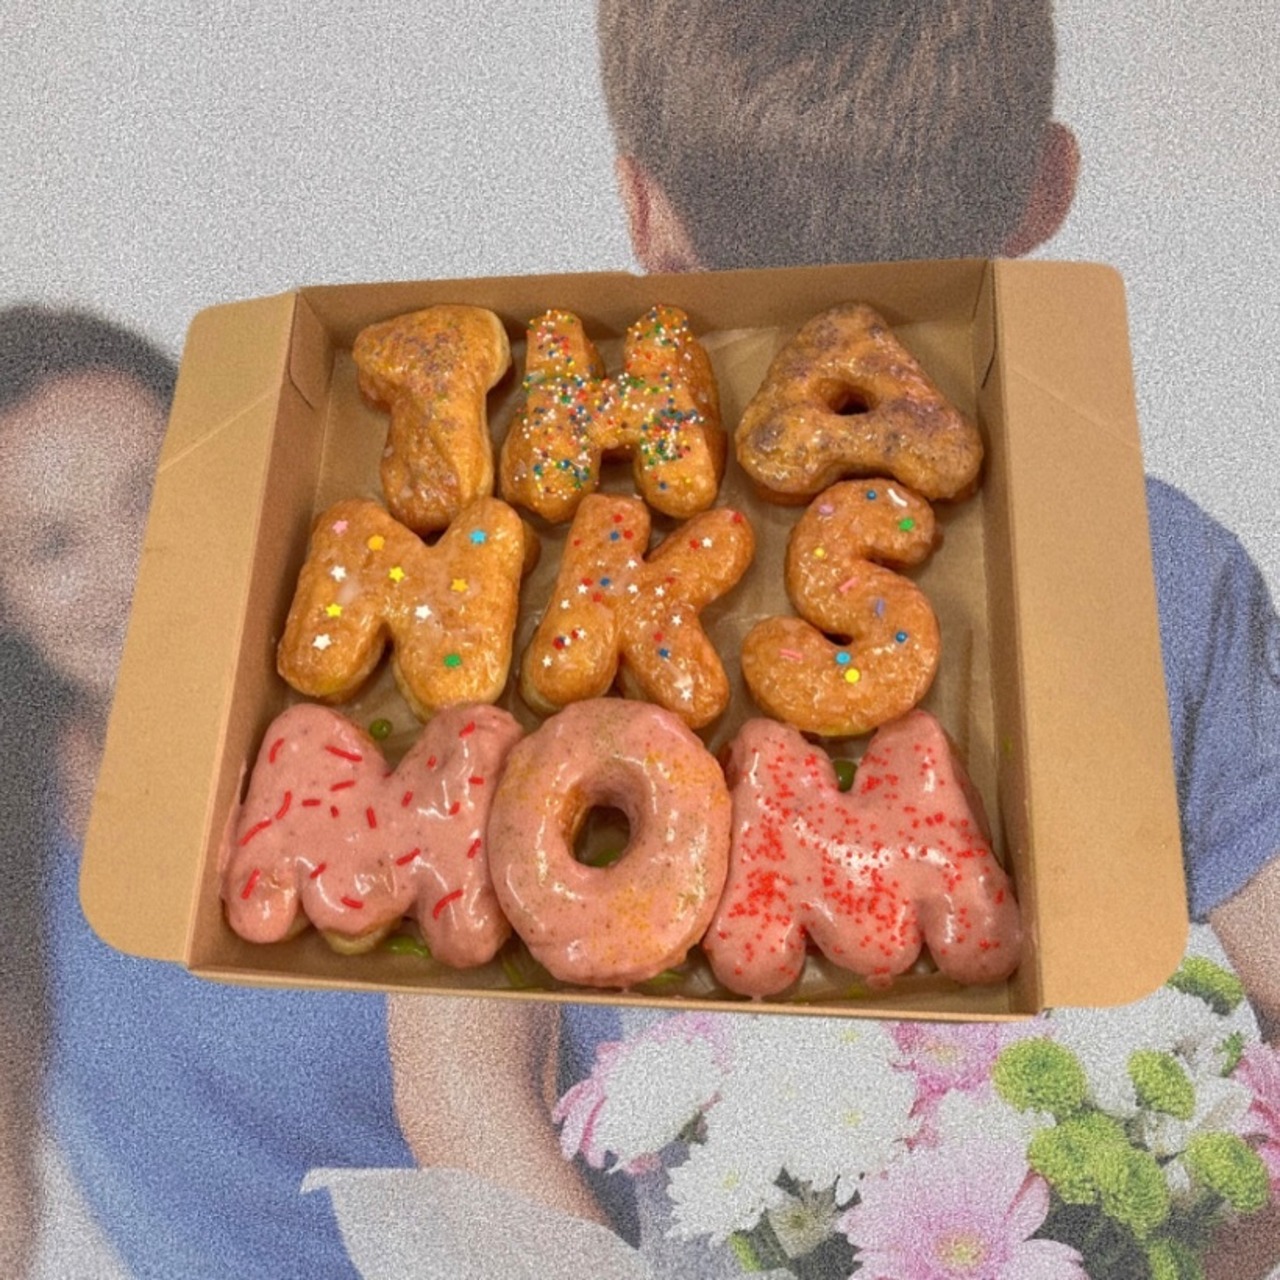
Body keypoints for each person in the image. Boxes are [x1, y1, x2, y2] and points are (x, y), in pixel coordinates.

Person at [383, 4, 1280, 1278]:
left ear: (643, 216)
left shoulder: (528, 584)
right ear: (1047, 188)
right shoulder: (1156, 560)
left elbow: (461, 1094)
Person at [0, 305, 415, 1278]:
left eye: (150, 495)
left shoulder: (404, 731)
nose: (132, 566)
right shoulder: (18, 829)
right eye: (53, 545)